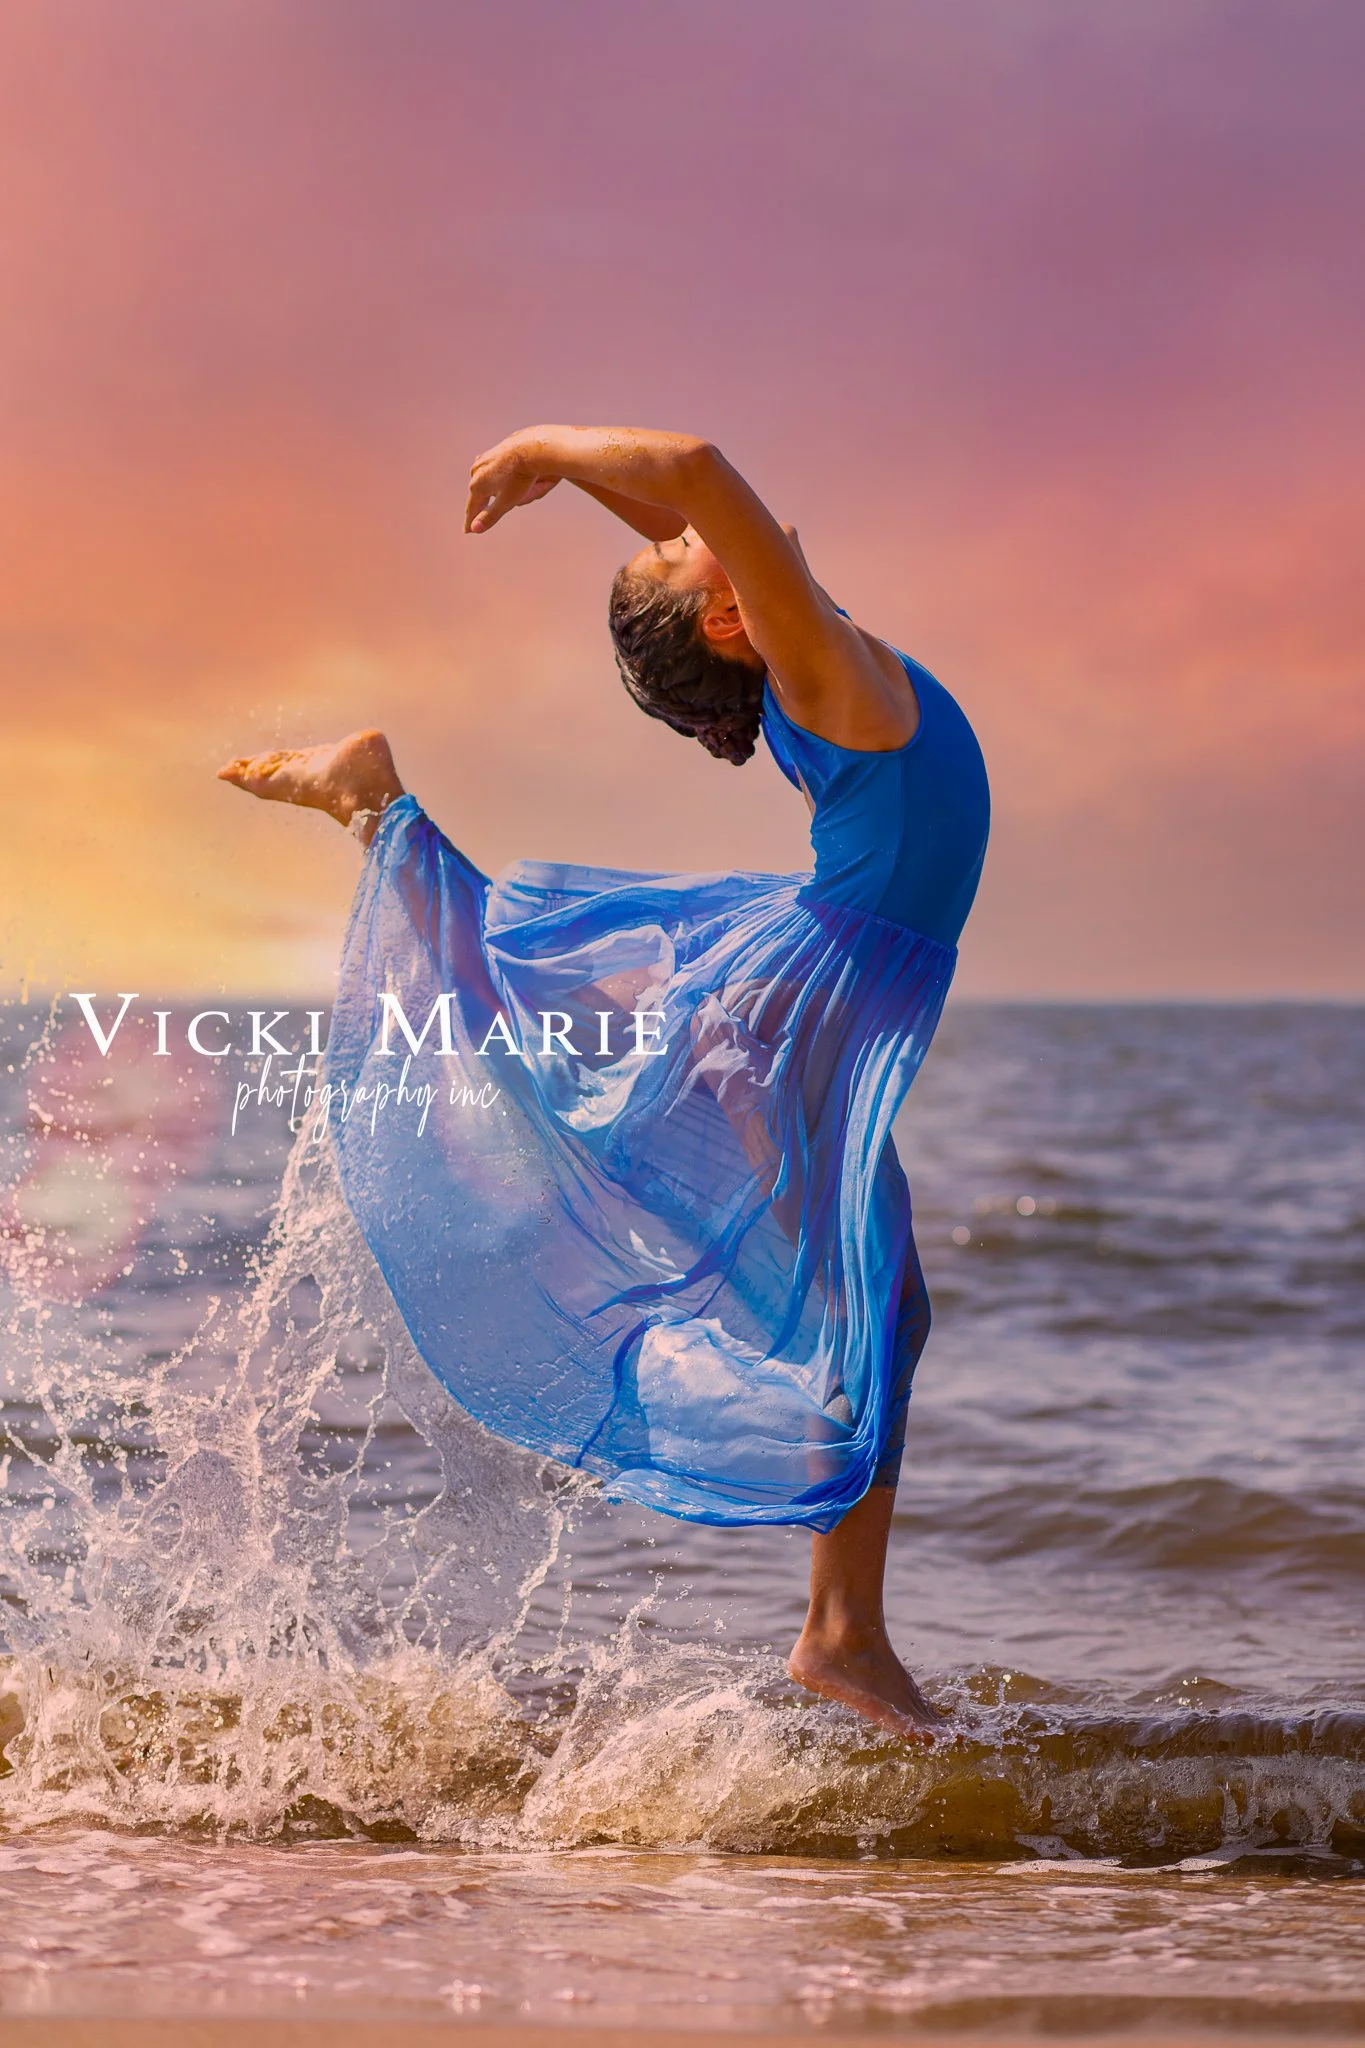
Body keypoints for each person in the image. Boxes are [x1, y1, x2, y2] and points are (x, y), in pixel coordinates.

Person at [218, 425, 989, 1739]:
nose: (690, 536)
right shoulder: (819, 673)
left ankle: (843, 1629)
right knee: (843, 1297)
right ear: (736, 617)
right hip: (789, 1011)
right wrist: (550, 449)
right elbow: (695, 471)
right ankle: (841, 1634)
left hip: (799, 986)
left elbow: (694, 527)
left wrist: (588, 491)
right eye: (692, 552)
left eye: (679, 543)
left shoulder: (809, 649)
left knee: (881, 1306)